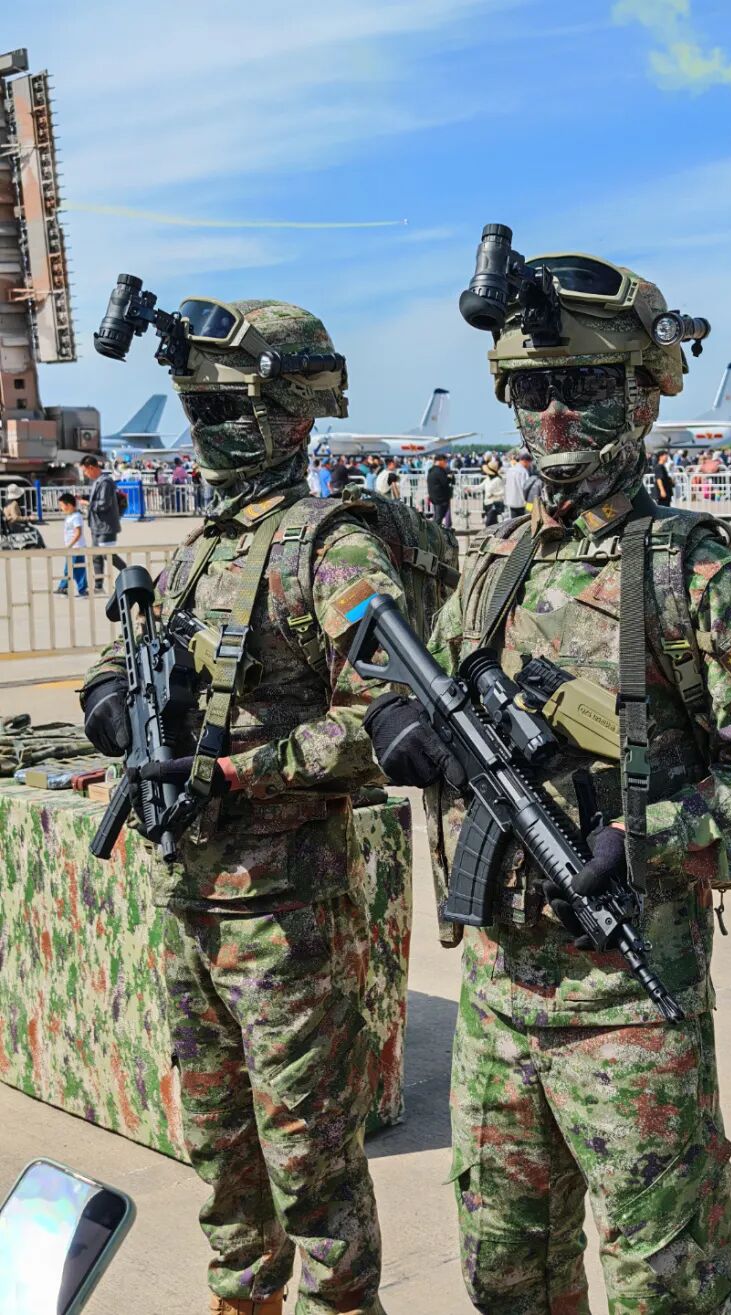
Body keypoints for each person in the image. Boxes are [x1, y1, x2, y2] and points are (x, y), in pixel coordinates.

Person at [365, 245, 731, 1314]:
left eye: (580, 386)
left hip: (628, 1007)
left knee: (665, 1287)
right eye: (532, 391)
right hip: (496, 1001)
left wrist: (644, 836)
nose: (554, 414)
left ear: (640, 394)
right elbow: (404, 675)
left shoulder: (694, 570)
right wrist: (393, 721)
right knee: (505, 1274)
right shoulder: (495, 561)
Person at [81, 299, 405, 1315]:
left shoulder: (330, 549)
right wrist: (109, 701)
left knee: (313, 1172)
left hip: (285, 919)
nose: (208, 429)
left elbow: (385, 720)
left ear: (294, 412)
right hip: (190, 905)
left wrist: (237, 774)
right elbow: (124, 659)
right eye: (198, 409)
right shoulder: (199, 549)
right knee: (221, 1163)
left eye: (227, 408)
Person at [79, 456, 121, 593]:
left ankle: (128, 572)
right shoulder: (98, 482)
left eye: (85, 471)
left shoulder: (105, 482)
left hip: (106, 526)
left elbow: (104, 504)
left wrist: (87, 504)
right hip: (97, 526)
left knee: (107, 555)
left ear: (91, 467)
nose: (85, 474)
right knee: (96, 555)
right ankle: (98, 585)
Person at [53, 493, 88, 597]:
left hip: (76, 548)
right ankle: (81, 589)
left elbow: (78, 533)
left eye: (62, 505)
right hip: (73, 547)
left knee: (70, 568)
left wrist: (70, 545)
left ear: (69, 505)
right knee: (77, 569)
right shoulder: (70, 517)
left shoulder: (76, 517)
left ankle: (64, 587)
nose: (61, 508)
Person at [504, 450, 534, 518]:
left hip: (511, 501)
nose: (529, 465)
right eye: (529, 463)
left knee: (514, 521)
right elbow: (526, 488)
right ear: (525, 461)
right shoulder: (523, 472)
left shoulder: (510, 470)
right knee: (524, 521)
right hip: (522, 503)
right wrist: (530, 506)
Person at [426, 452, 453, 525]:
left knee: (438, 517)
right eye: (445, 461)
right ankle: (434, 531)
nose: (446, 463)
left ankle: (436, 529)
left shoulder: (432, 470)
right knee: (438, 518)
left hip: (435, 498)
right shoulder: (439, 471)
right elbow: (445, 482)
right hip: (440, 499)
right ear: (440, 461)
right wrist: (450, 478)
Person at [479, 459, 505, 525]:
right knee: (492, 523)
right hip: (487, 503)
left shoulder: (498, 480)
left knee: (489, 523)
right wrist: (470, 489)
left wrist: (494, 494)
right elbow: (480, 486)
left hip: (494, 503)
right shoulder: (487, 479)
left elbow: (503, 491)